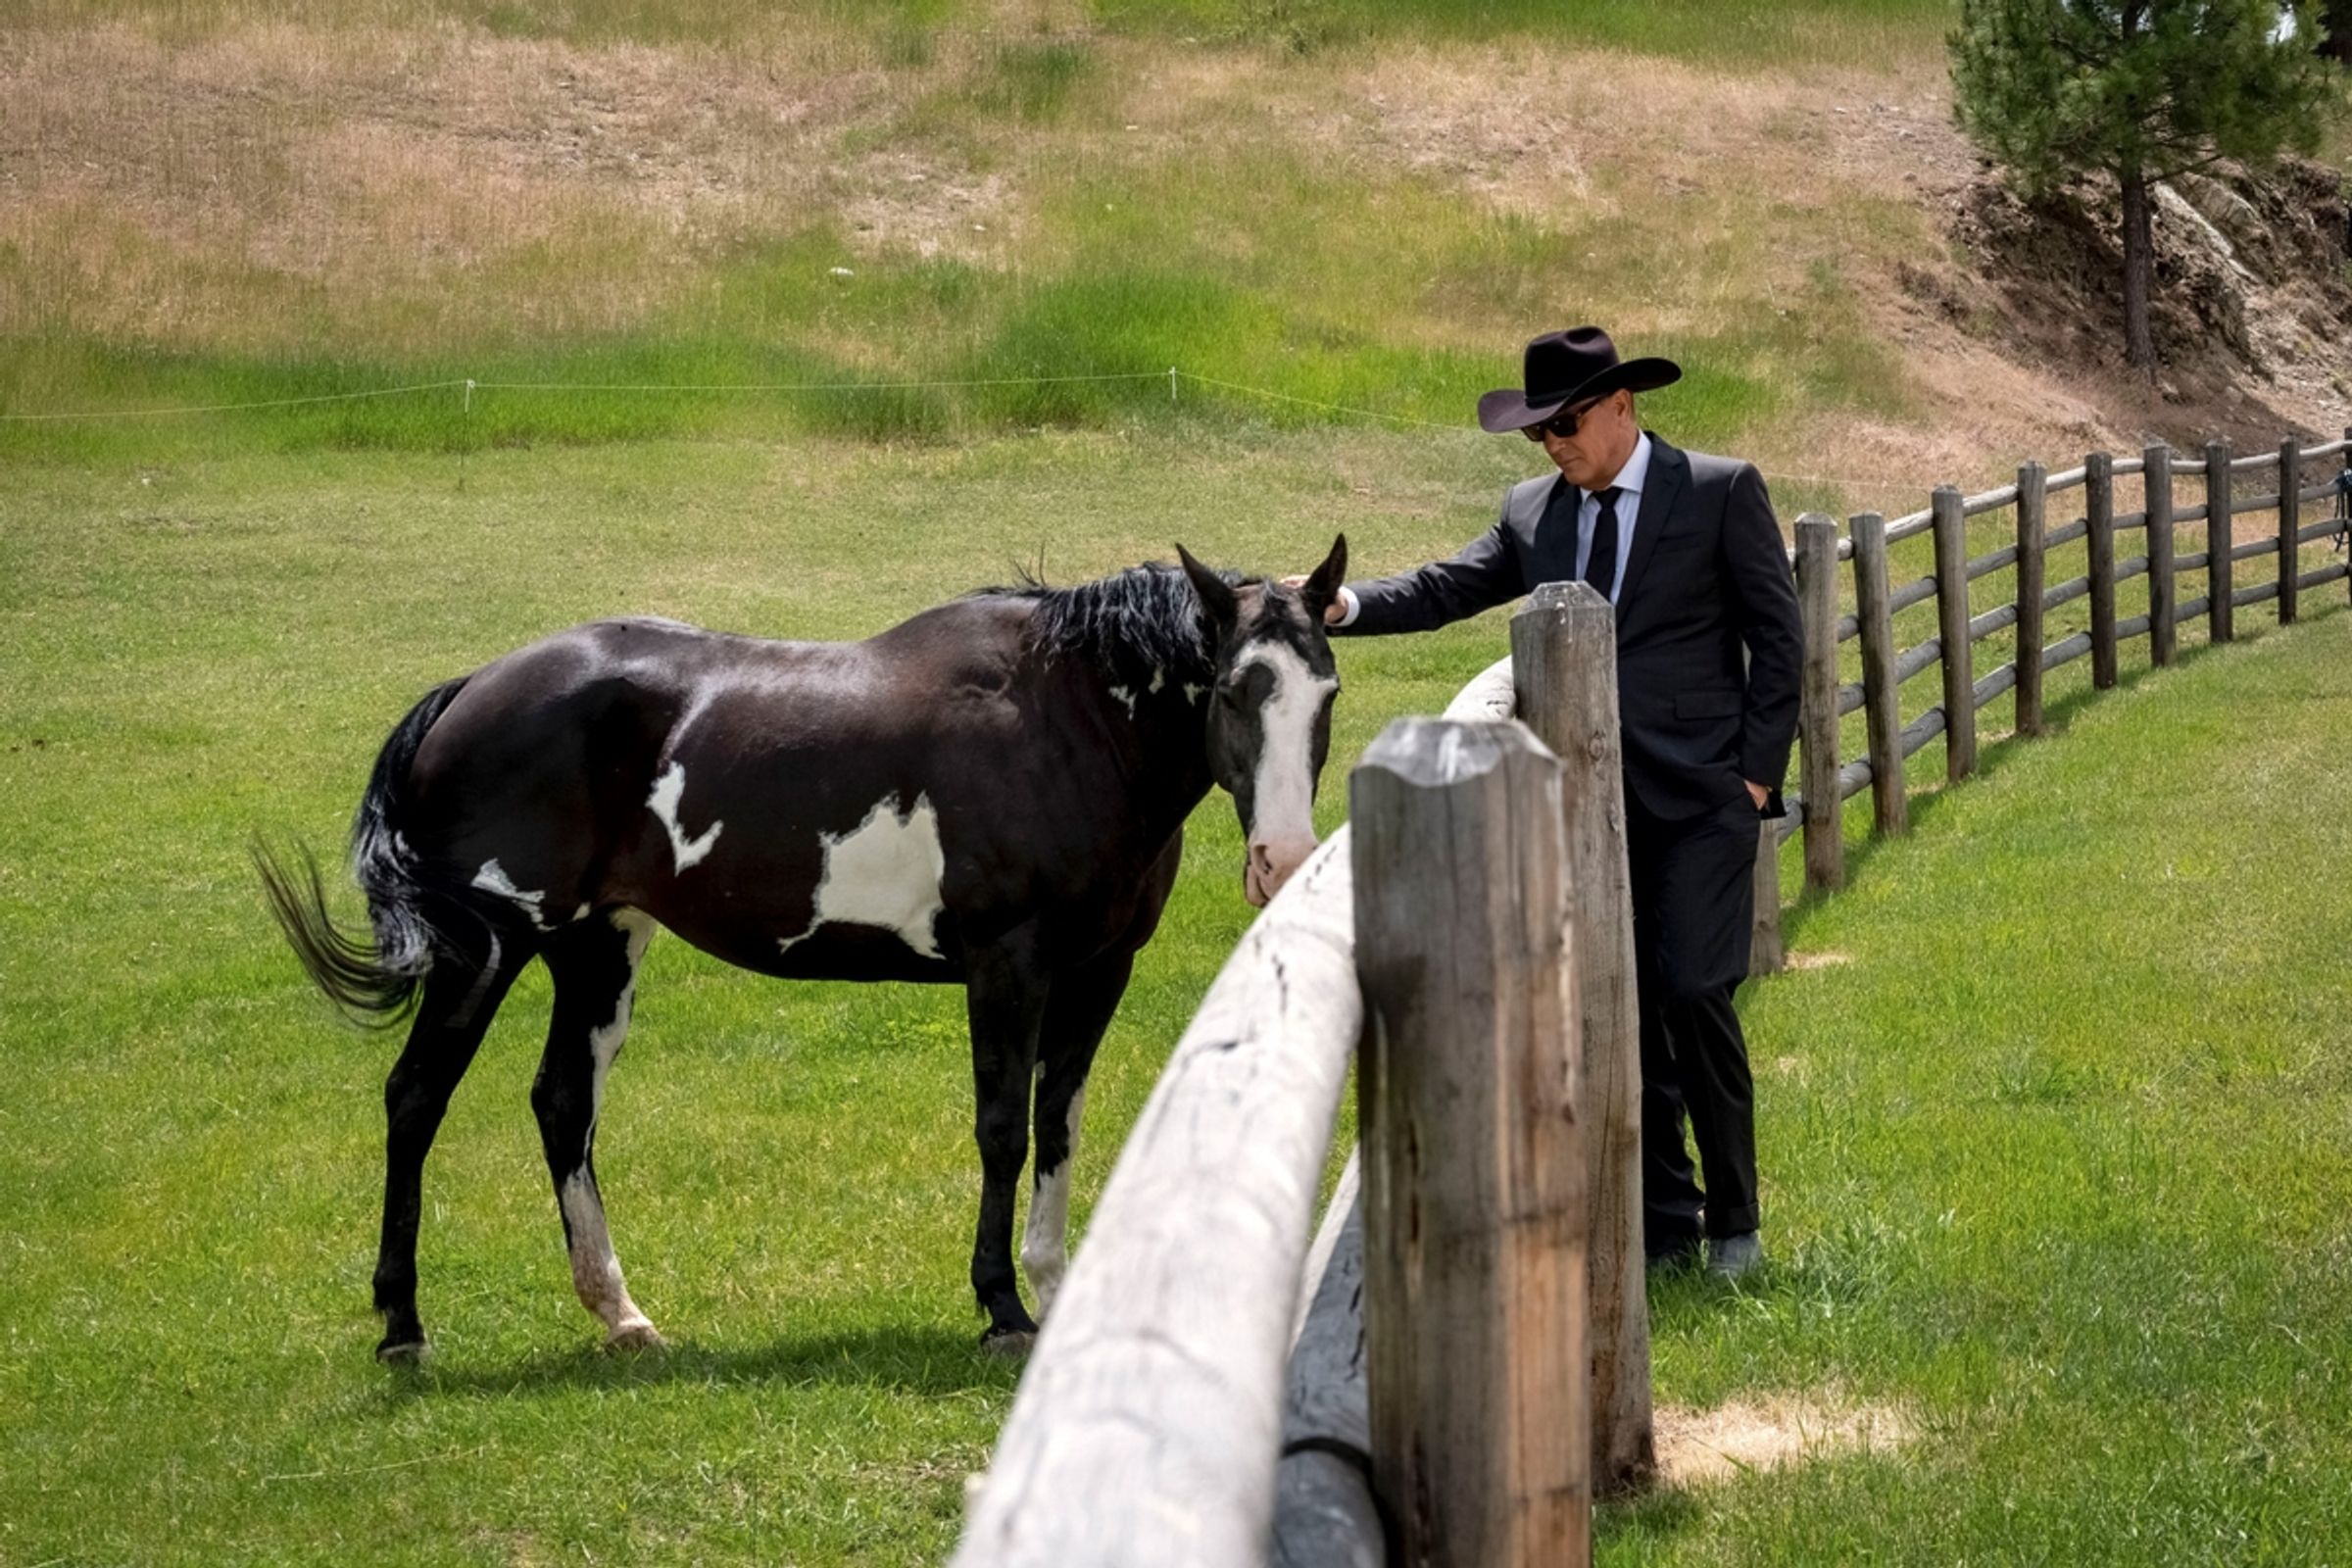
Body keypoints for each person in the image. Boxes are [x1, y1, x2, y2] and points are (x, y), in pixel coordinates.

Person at [1299, 325, 1801, 1278]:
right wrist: (1341, 605)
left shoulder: (1719, 490)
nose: (1551, 445)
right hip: (1583, 809)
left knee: (1695, 993)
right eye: (1537, 433)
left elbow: (1779, 638)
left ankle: (1736, 1223)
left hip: (1702, 802)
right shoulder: (1533, 513)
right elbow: (1447, 587)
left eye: (1564, 424)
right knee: (1624, 1008)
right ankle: (1666, 1227)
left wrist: (1754, 776)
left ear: (1622, 406)